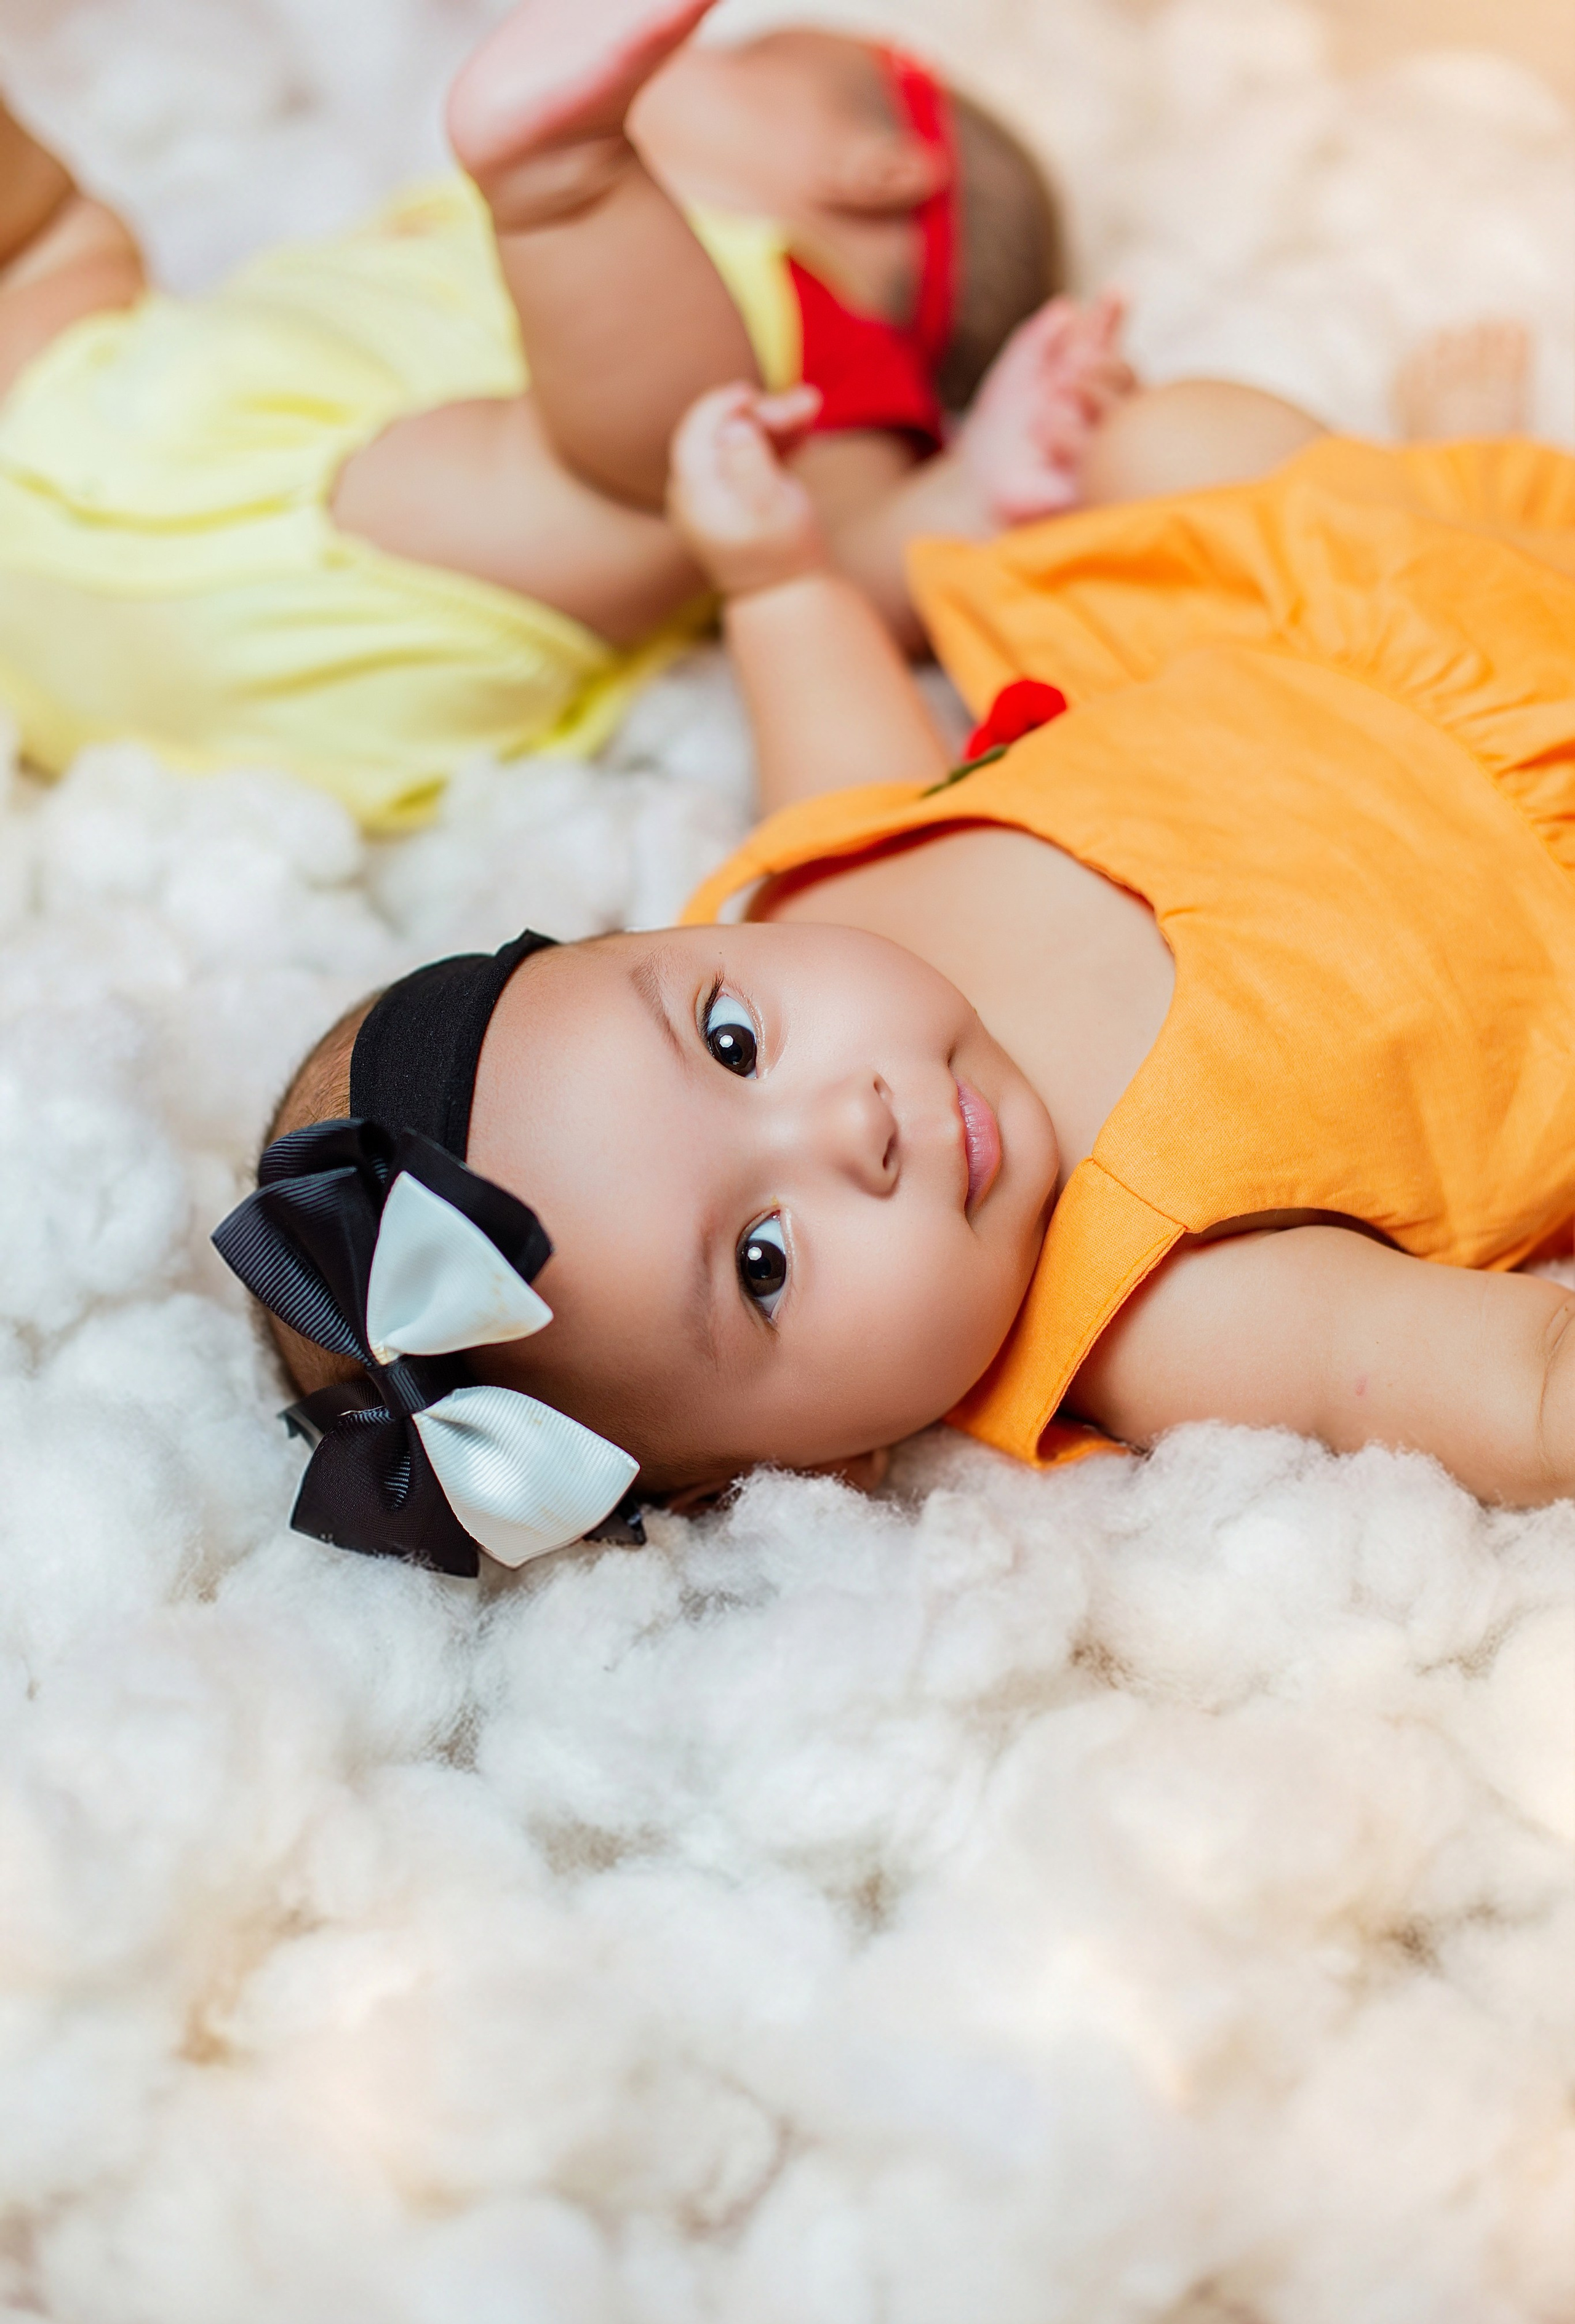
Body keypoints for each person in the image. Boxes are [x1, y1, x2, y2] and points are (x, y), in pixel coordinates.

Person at [213, 310, 1573, 1580]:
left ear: (679, 943)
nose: (847, 1127)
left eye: (728, 1040)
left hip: (1375, 627)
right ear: (824, 1464)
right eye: (762, 1262)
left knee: (1167, 444)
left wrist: (769, 572)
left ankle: (1445, 469)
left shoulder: (824, 904)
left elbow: (835, 728)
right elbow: (1521, 1386)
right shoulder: (1163, 1313)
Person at [0, 0, 1126, 827]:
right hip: (102, 397)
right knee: (49, 233)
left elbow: (835, 566)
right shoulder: (458, 207)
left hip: (367, 562)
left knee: (686, 482)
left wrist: (977, 487)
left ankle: (575, 187)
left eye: (736, 51)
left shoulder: (808, 308)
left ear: (879, 168)